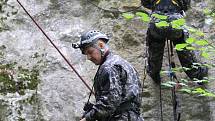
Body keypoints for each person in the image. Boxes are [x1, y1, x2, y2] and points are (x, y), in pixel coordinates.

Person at [72, 30, 144, 121]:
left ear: (101, 45)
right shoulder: (119, 62)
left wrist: (88, 117)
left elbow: (110, 101)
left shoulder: (109, 67)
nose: (88, 57)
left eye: (90, 52)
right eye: (86, 54)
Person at [141, 0, 208, 84]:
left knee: (154, 48)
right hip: (175, 18)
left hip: (157, 18)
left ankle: (154, 72)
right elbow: (186, 5)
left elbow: (145, 3)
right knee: (183, 48)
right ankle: (197, 75)